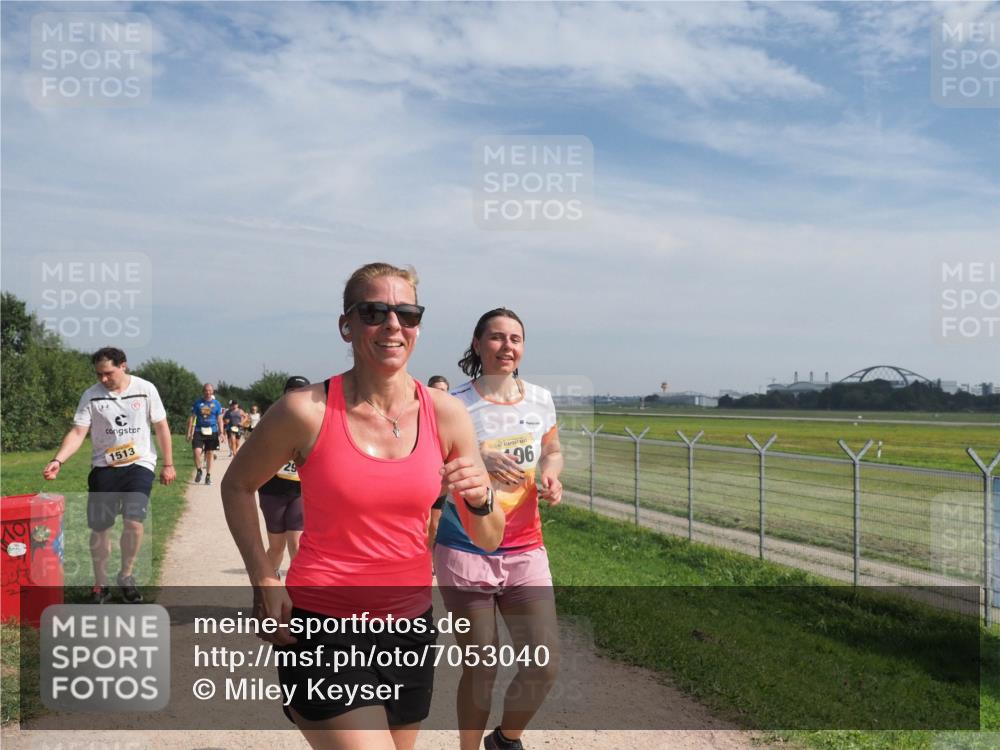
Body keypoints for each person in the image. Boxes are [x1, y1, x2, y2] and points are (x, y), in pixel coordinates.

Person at [221, 262, 504, 750]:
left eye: (407, 313)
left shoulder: (446, 414)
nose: (393, 324)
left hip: (409, 630)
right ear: (347, 325)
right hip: (323, 628)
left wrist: (480, 499)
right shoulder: (304, 410)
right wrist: (264, 577)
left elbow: (490, 537)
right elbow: (237, 485)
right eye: (375, 311)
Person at [434, 308, 564, 750]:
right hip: (466, 548)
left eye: (516, 338)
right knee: (481, 665)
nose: (507, 346)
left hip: (526, 548)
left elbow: (553, 449)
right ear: (477, 344)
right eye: (496, 338)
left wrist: (552, 472)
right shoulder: (453, 404)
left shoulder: (541, 399)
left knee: (543, 664)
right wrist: (476, 457)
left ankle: (506, 739)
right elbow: (430, 470)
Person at [42, 347, 176, 604]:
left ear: (123, 366)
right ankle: (100, 584)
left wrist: (168, 464)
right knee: (101, 528)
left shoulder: (145, 389)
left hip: (140, 464)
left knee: (134, 522)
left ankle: (126, 576)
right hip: (104, 468)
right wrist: (58, 459)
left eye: (108, 373)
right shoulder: (91, 396)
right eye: (98, 374)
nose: (103, 379)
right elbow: (78, 432)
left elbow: (161, 426)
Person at [257, 376, 311, 578]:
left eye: (301, 391)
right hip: (272, 491)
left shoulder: (313, 422)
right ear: (285, 394)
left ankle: (296, 594)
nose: (296, 395)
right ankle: (270, 582)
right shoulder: (271, 419)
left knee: (296, 545)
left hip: (299, 492)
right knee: (276, 547)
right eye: (292, 390)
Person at [426, 375, 451, 550]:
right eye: (435, 390)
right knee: (422, 524)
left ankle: (431, 559)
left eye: (443, 390)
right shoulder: (420, 415)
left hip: (442, 478)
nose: (439, 394)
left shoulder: (453, 418)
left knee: (435, 523)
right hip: (422, 479)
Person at [186, 383, 224, 484]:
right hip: (199, 430)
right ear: (203, 391)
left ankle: (208, 476)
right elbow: (192, 418)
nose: (208, 392)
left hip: (212, 431)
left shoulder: (217, 404)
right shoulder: (198, 403)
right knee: (196, 452)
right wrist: (189, 432)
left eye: (210, 390)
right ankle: (199, 470)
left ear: (212, 391)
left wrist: (221, 432)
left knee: (210, 453)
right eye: (206, 390)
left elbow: (220, 419)